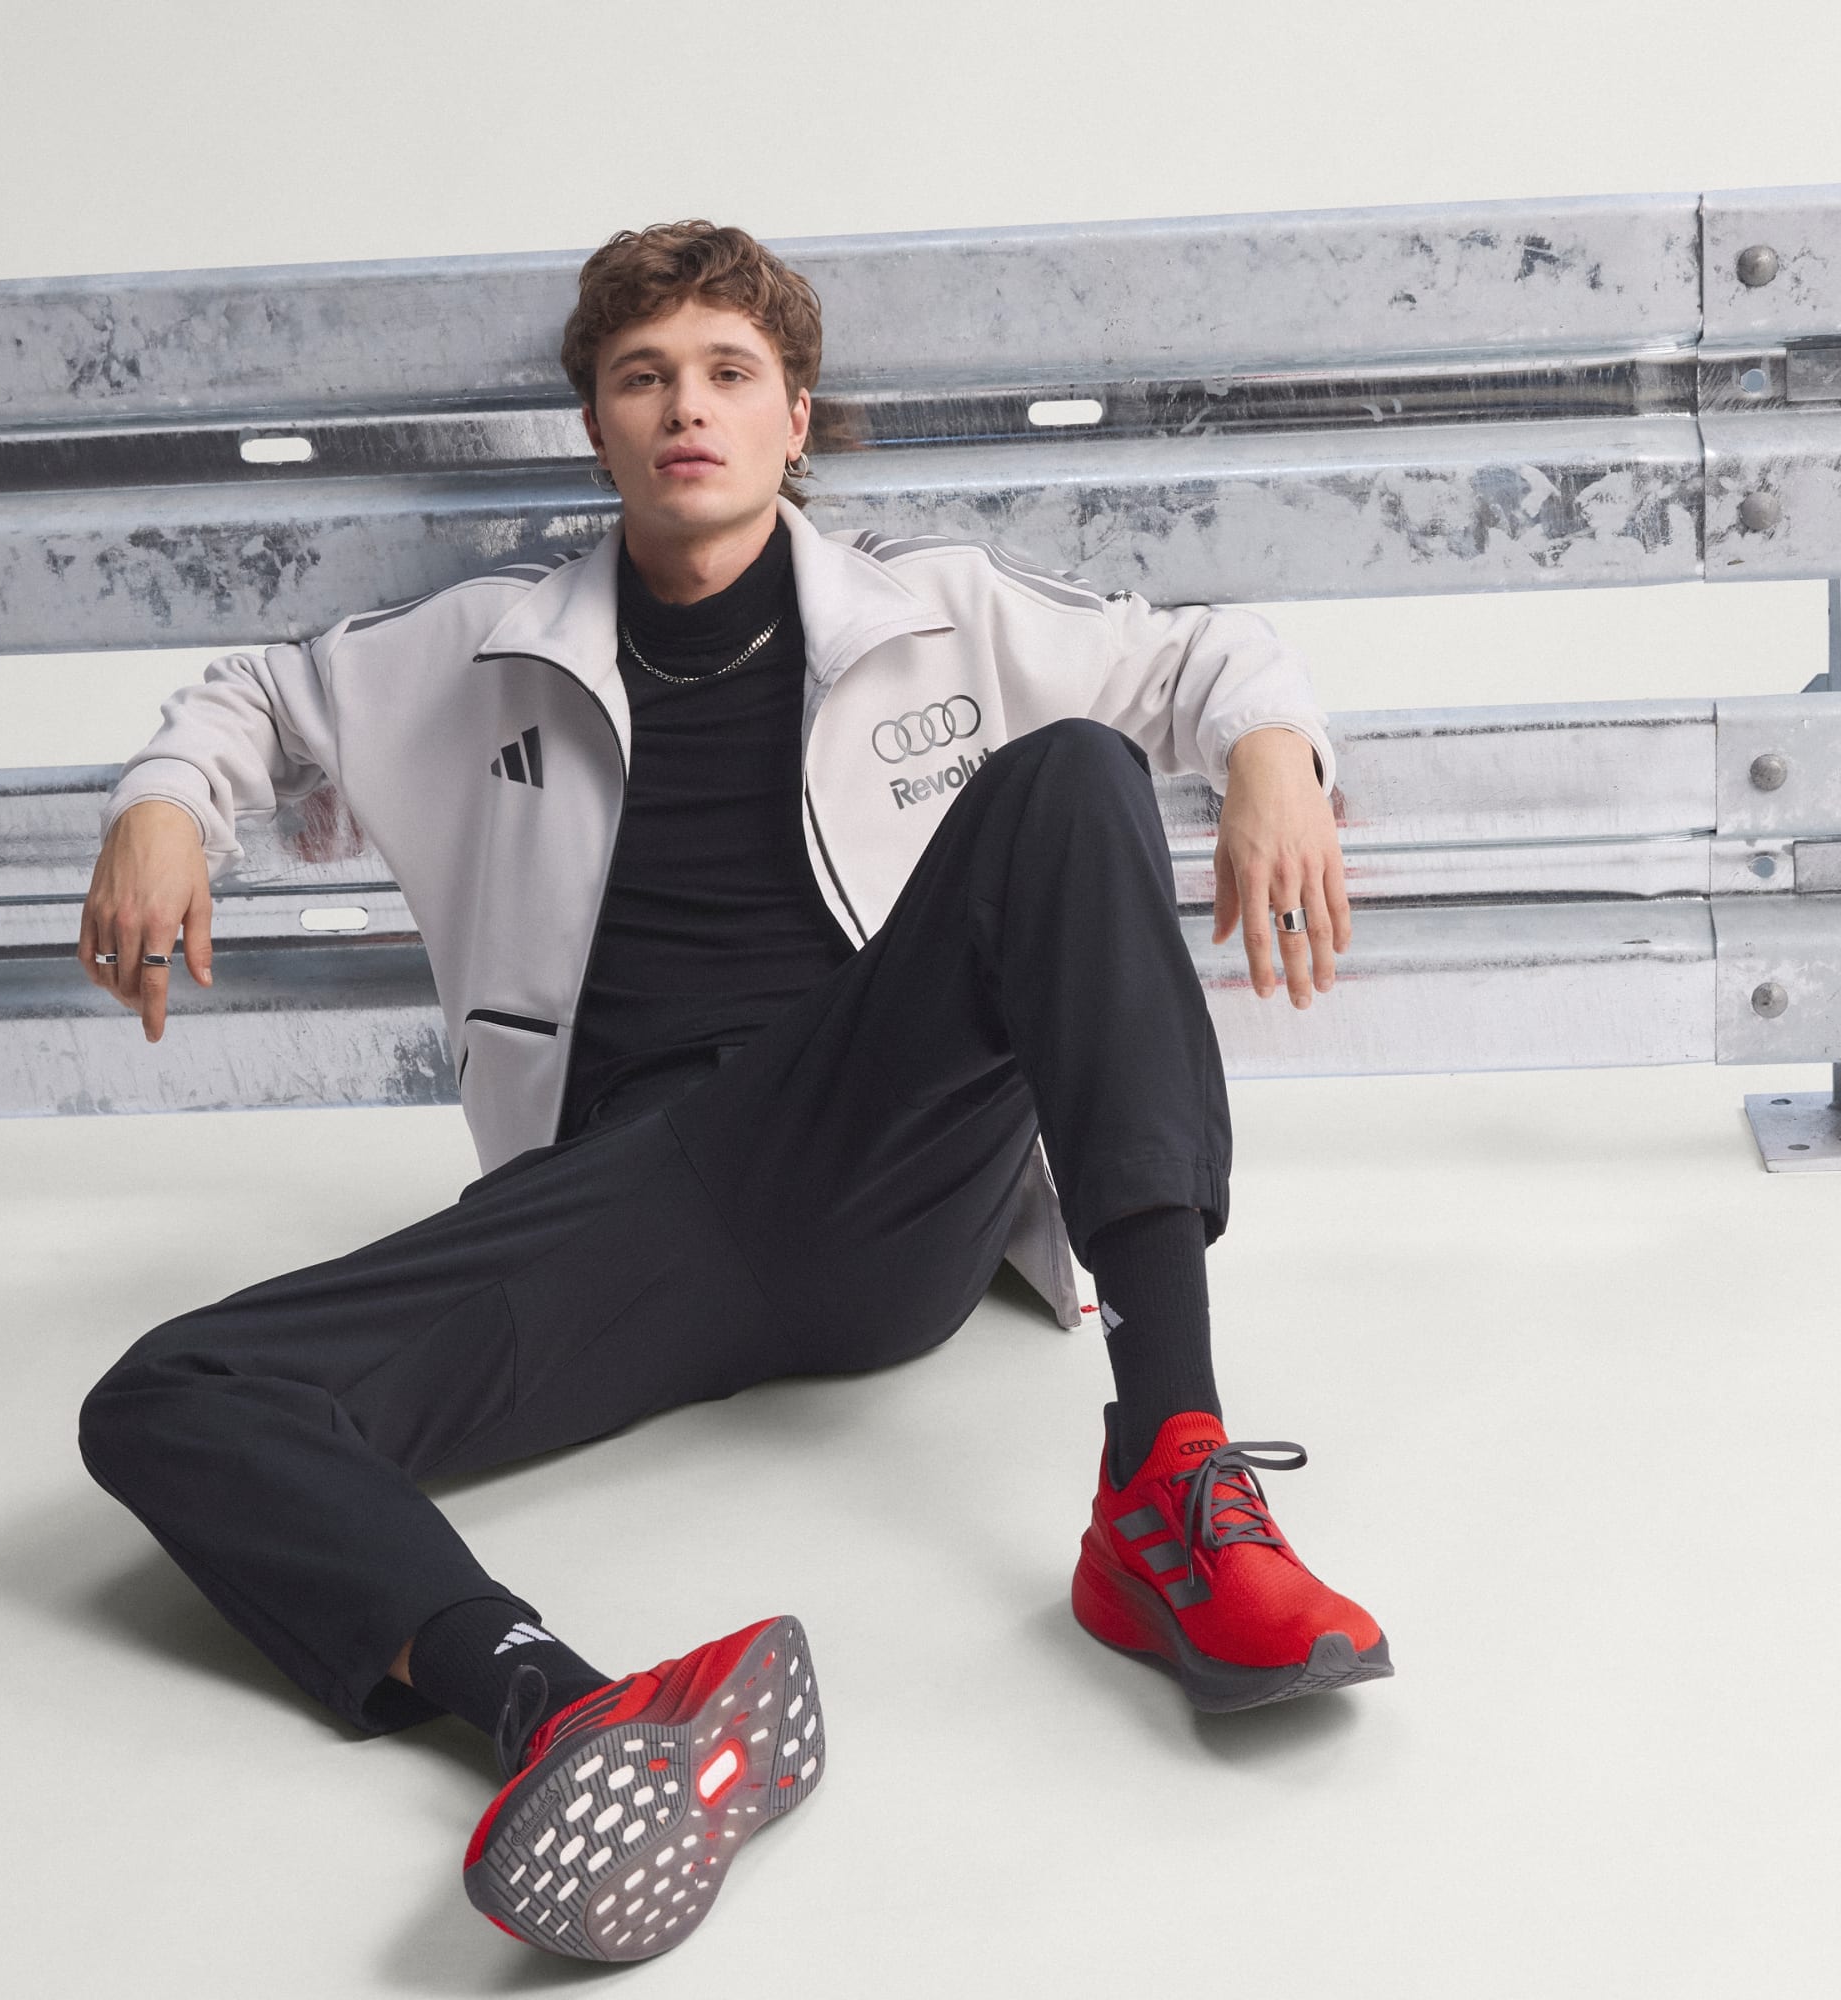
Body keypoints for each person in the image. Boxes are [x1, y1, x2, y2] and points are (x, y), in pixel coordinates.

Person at [75, 219, 1387, 1967]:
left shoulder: (936, 612)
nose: (685, 407)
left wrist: (1276, 757)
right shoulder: (484, 644)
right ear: (596, 429)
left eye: (727, 373)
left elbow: (1201, 656)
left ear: (794, 419)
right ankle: (555, 1706)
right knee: (170, 1395)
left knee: (1072, 776)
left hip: (880, 1151)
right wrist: (165, 804)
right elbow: (259, 696)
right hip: (636, 1204)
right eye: (643, 378)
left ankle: (1169, 1475)